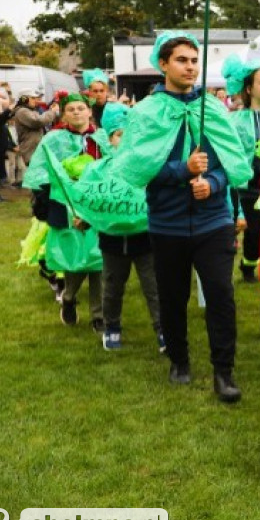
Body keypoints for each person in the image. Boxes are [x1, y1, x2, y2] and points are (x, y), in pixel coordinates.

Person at [111, 31, 252, 403]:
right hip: (167, 223)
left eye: (194, 61)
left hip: (213, 222)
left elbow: (230, 165)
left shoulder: (214, 109)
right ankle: (179, 360)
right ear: (163, 64)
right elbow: (137, 170)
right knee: (172, 297)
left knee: (221, 295)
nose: (190, 67)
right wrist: (182, 171)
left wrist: (215, 183)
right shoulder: (144, 114)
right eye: (182, 60)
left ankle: (224, 371)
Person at [22, 92, 109, 329]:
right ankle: (69, 297)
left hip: (97, 205)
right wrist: (45, 197)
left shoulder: (101, 138)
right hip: (66, 204)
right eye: (71, 109)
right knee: (75, 258)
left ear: (90, 111)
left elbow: (113, 167)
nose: (77, 112)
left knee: (99, 258)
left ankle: (98, 314)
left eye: (81, 108)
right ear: (63, 113)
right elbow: (40, 169)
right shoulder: (53, 139)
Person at [95, 102, 163, 352]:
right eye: (119, 135)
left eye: (128, 135)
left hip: (145, 239)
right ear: (110, 137)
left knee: (154, 286)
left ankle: (162, 329)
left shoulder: (145, 166)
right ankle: (111, 326)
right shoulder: (101, 168)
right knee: (112, 287)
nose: (124, 140)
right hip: (112, 240)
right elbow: (91, 197)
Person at [222, 54, 260, 290]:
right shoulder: (234, 121)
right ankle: (248, 265)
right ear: (249, 88)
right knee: (253, 231)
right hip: (247, 188)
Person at [13, 89, 60, 170]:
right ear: (25, 99)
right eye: (33, 98)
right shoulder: (22, 111)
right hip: (30, 151)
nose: (36, 101)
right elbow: (38, 121)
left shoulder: (30, 111)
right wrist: (51, 112)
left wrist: (51, 111)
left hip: (35, 150)